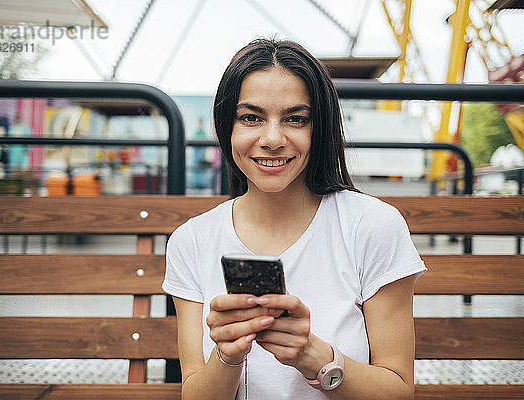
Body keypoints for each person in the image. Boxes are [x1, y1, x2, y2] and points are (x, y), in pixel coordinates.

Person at [162, 38, 426, 400]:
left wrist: (315, 359)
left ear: (320, 130)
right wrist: (228, 355)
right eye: (251, 117)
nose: (272, 139)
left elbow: (398, 392)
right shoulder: (191, 241)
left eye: (295, 119)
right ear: (227, 127)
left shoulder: (372, 226)